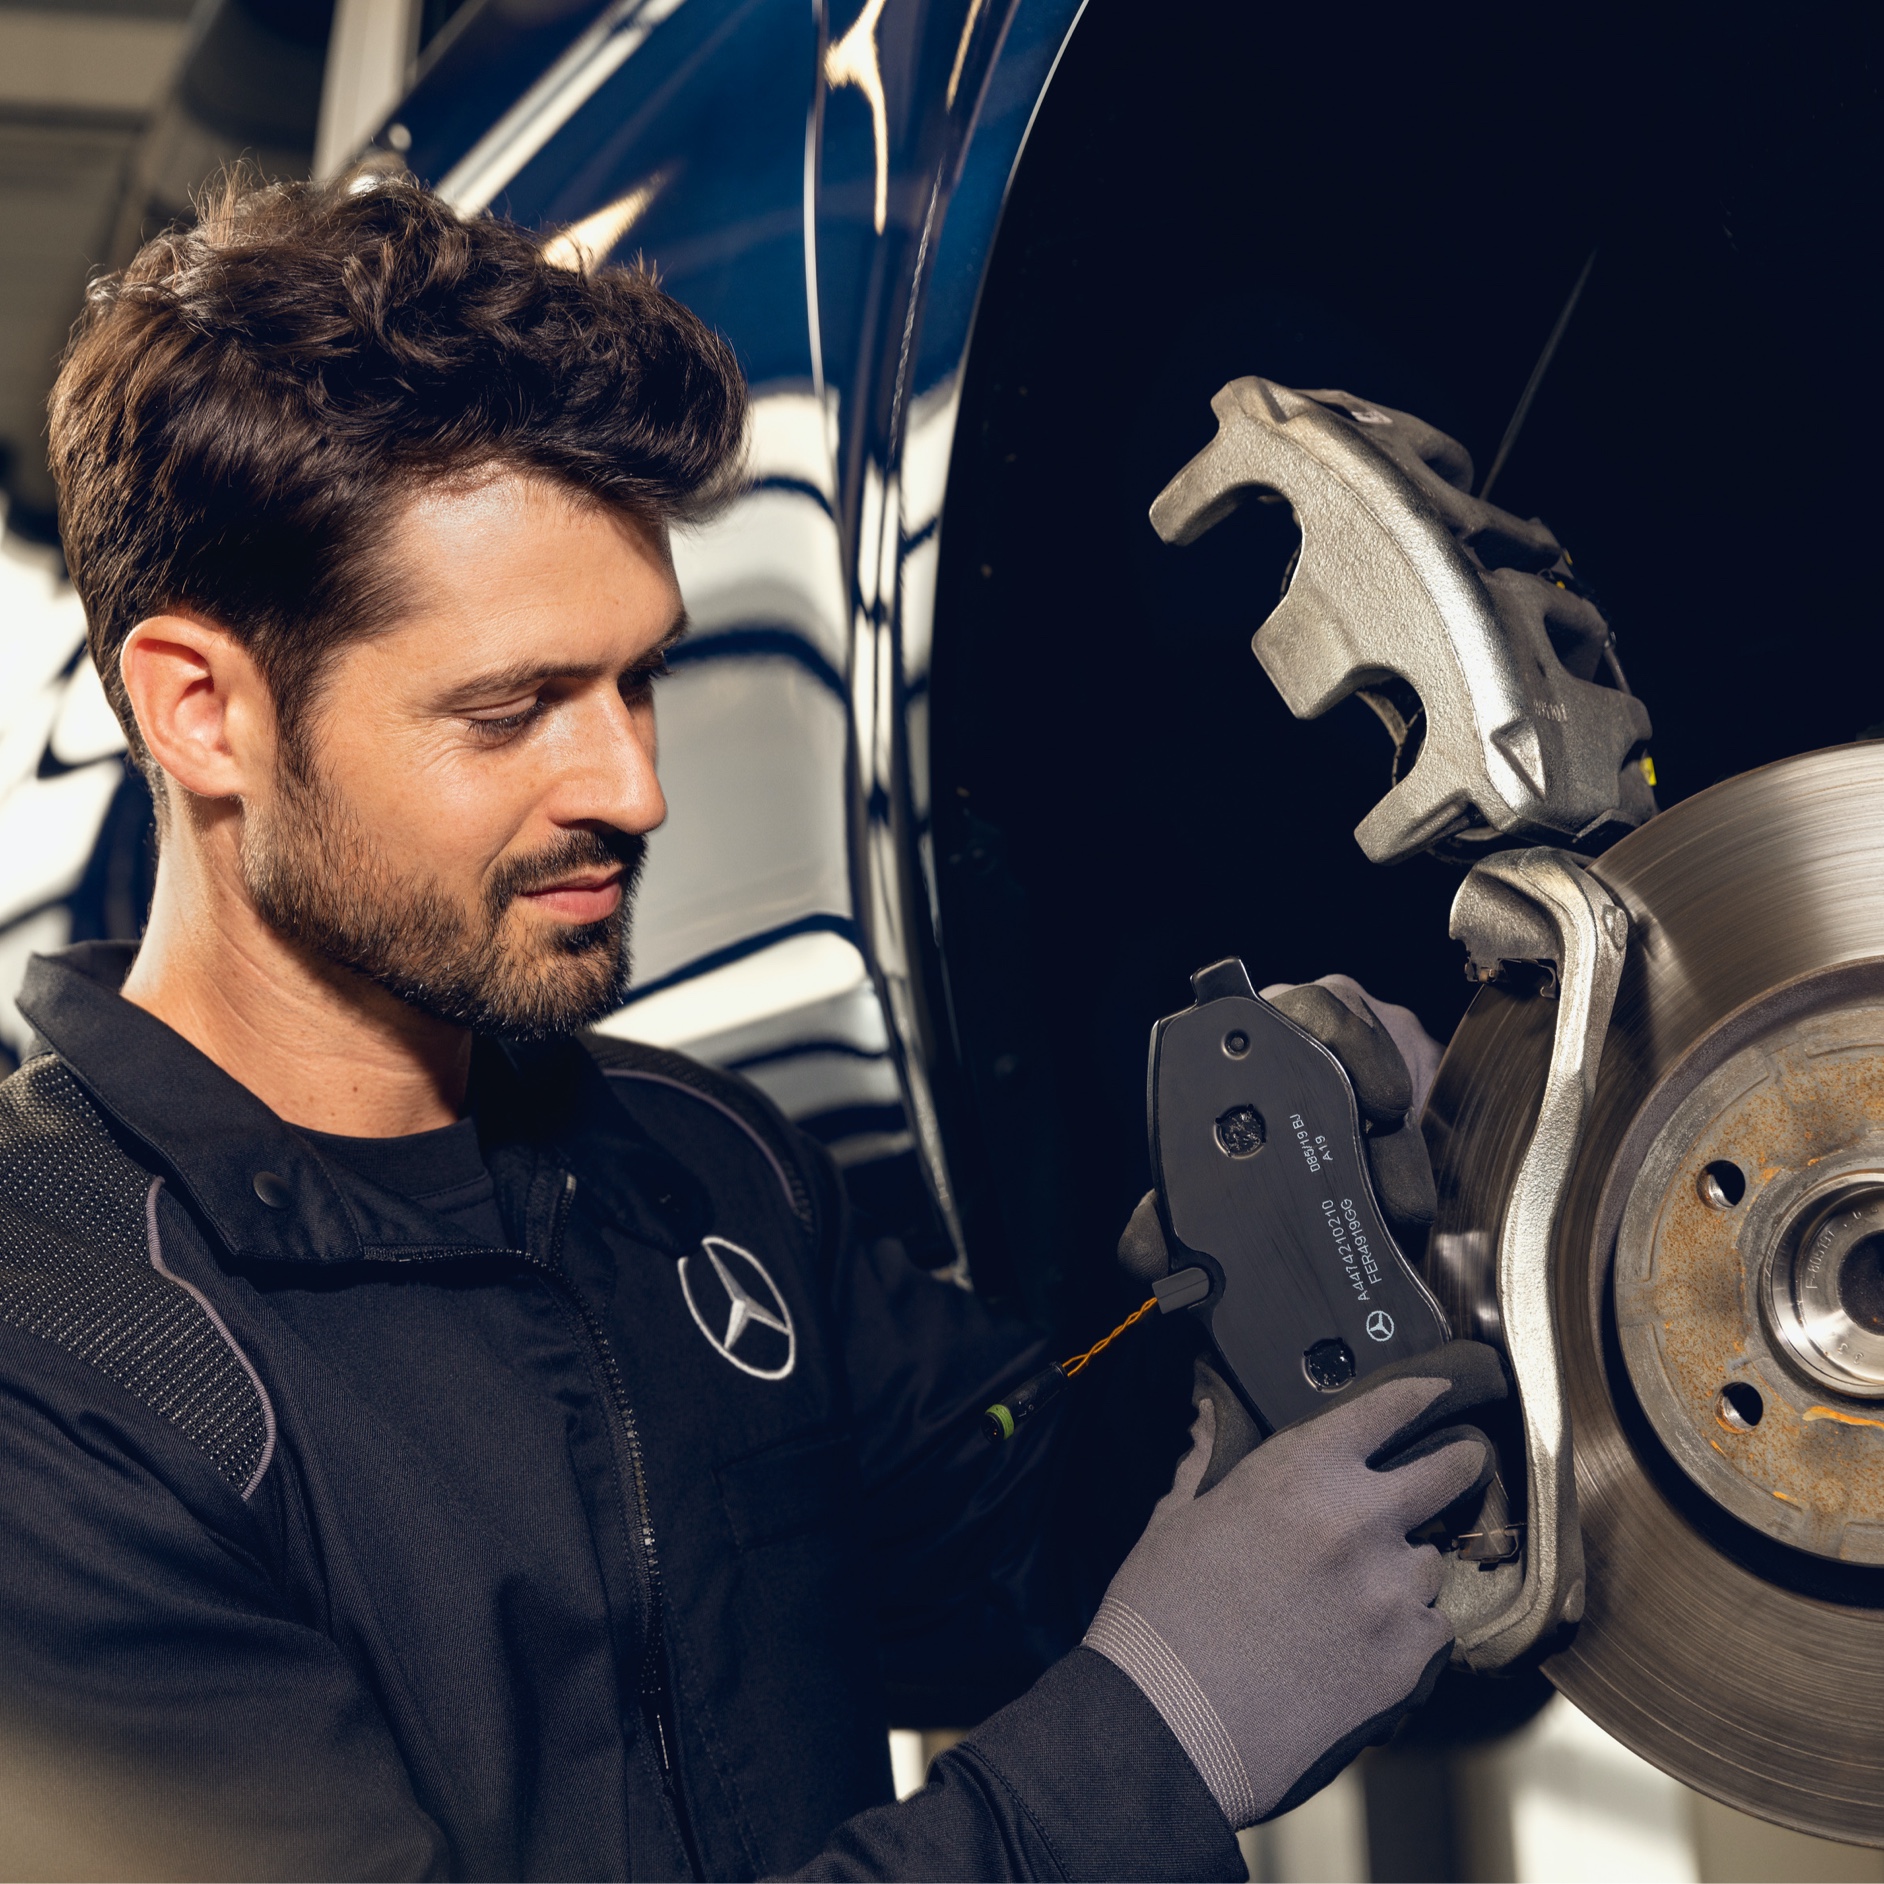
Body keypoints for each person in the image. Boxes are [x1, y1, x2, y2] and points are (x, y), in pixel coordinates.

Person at [0, 171, 1502, 1879]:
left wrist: (1300, 1260)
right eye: (514, 711)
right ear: (202, 710)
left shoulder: (695, 1168)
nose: (633, 787)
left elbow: (1034, 1549)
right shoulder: (58, 1366)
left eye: (638, 678)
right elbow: (1159, 1696)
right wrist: (1147, 1748)